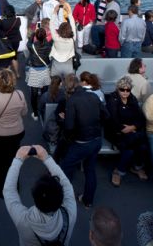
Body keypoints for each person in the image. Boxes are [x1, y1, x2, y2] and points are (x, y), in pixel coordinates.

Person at [4, 145, 77, 246]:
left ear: (35, 199)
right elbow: (66, 183)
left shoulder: (24, 222)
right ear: (61, 197)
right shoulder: (70, 213)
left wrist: (18, 159)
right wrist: (46, 158)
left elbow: (9, 191)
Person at [60, 74, 109, 208]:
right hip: (96, 140)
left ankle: (64, 199)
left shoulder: (72, 101)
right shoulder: (93, 96)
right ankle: (88, 201)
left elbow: (69, 127)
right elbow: (106, 115)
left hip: (82, 142)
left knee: (64, 168)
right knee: (90, 169)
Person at [0, 69, 27, 198]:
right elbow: (24, 113)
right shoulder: (20, 95)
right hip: (17, 133)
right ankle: (15, 188)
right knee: (14, 162)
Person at [105, 76, 148, 187]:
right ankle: (118, 172)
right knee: (130, 150)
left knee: (141, 146)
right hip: (116, 132)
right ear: (117, 89)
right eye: (122, 89)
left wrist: (132, 127)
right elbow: (113, 120)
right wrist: (126, 129)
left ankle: (136, 167)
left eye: (127, 90)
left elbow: (141, 118)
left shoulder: (132, 99)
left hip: (131, 131)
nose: (125, 92)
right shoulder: (112, 99)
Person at [26, 28, 52, 120]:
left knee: (34, 94)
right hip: (45, 70)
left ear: (36, 37)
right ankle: (44, 110)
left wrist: (33, 35)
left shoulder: (32, 46)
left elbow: (28, 43)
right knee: (45, 93)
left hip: (34, 71)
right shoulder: (48, 46)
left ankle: (36, 114)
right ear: (45, 36)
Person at [0, 5, 22, 77]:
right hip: (16, 40)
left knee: (7, 58)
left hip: (7, 42)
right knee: (14, 56)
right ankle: (17, 73)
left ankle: (9, 76)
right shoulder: (18, 20)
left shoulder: (3, 22)